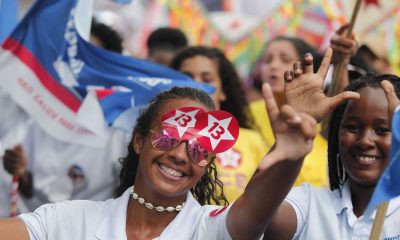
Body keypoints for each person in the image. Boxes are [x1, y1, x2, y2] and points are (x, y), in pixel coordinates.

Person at [1, 86, 317, 240]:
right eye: (169, 136)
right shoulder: (71, 221)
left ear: (208, 163)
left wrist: (289, 156)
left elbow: (254, 212)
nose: (180, 155)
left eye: (199, 148)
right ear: (139, 140)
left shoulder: (209, 229)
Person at [262, 48, 400, 239]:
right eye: (353, 127)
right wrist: (286, 147)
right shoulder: (310, 203)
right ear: (336, 133)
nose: (365, 141)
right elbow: (256, 220)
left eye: (383, 130)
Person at [171, 46, 267, 202]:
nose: (197, 86)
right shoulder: (163, 137)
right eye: (187, 78)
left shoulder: (252, 140)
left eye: (207, 79)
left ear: (223, 91)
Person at [248, 36, 329, 187]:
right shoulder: (245, 115)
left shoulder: (320, 114)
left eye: (285, 59)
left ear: (305, 68)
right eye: (267, 60)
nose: (273, 66)